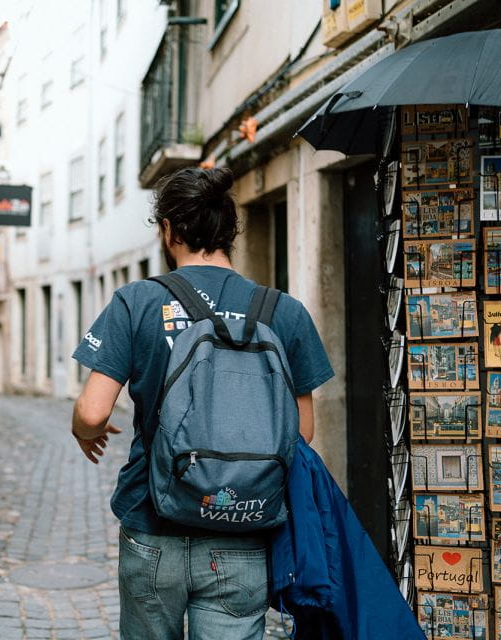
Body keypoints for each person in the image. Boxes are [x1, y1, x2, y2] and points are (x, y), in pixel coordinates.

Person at [71, 166, 334, 640]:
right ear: (230, 230)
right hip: (243, 529)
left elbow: (93, 412)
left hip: (153, 526)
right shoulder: (284, 311)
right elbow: (302, 432)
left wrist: (84, 431)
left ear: (168, 229)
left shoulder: (138, 301)